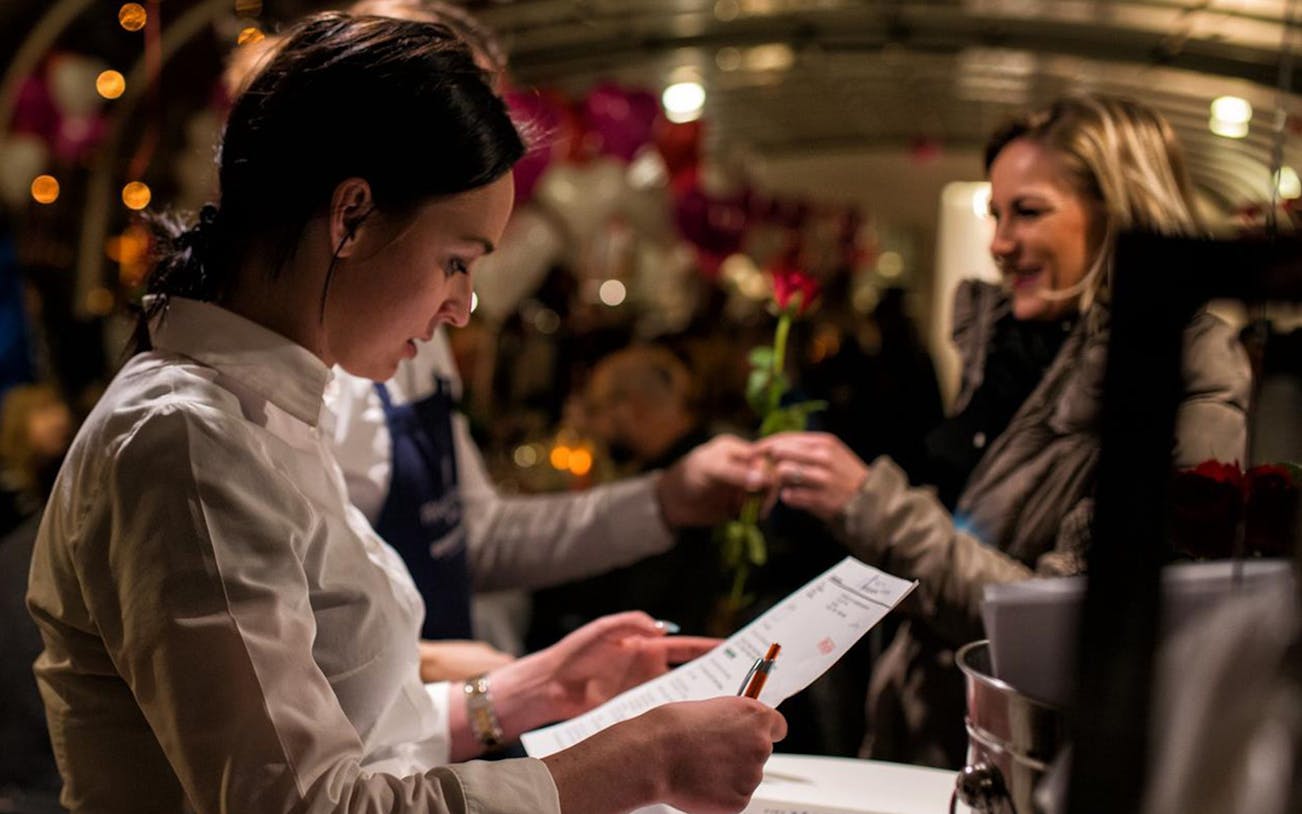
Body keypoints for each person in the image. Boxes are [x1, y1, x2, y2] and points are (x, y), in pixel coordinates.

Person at [26, 14, 785, 813]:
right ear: (350, 217)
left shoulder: (273, 409)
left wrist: (523, 692)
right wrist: (641, 761)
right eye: (455, 263)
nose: (463, 309)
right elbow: (308, 804)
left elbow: (352, 727)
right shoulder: (190, 439)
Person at [759, 94, 1251, 768]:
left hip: (1035, 761)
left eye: (1028, 211)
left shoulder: (1181, 368)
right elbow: (970, 538)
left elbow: (1061, 626)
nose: (998, 243)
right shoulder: (1018, 344)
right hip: (933, 732)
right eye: (996, 214)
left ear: (1119, 212)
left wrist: (870, 503)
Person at [308, 0, 767, 666]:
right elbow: (282, 644)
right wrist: (470, 679)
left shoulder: (415, 327)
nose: (462, 309)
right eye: (470, 113)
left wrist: (666, 499)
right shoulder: (285, 377)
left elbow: (476, 537)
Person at [530, 345, 724, 643]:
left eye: (596, 410)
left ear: (630, 408)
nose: (590, 425)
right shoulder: (681, 461)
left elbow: (628, 598)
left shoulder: (691, 484)